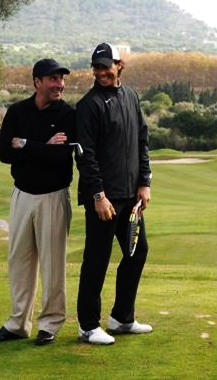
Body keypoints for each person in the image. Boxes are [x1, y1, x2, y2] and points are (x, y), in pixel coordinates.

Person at [0, 58, 76, 346]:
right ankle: (17, 324)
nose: (59, 84)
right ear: (37, 81)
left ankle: (49, 324)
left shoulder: (67, 115)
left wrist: (25, 144)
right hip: (22, 194)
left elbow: (61, 156)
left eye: (61, 79)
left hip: (53, 196)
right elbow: (4, 153)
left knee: (52, 264)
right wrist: (43, 147)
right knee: (19, 261)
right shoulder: (17, 111)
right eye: (53, 79)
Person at [75, 43, 153, 345]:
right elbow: (86, 156)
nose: (100, 72)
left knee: (137, 251)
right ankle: (88, 325)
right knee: (97, 258)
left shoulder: (131, 97)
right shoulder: (89, 105)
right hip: (104, 200)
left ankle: (122, 317)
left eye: (106, 66)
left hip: (131, 196)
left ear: (119, 66)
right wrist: (98, 195)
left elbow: (141, 142)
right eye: (96, 67)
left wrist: (144, 183)